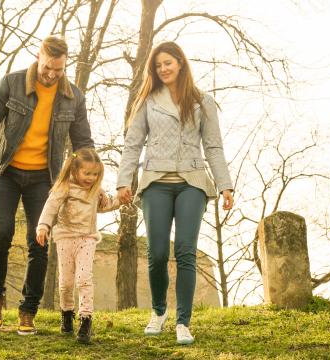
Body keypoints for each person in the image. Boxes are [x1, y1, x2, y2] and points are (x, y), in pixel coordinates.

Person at [0, 35, 94, 335]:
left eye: (58, 70)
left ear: (65, 66)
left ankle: (28, 310)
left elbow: (83, 142)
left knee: (38, 242)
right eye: (47, 67)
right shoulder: (11, 84)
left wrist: (91, 179)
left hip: (44, 177)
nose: (51, 74)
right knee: (2, 232)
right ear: (38, 57)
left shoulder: (73, 97)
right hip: (6, 171)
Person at [116, 41, 234, 345]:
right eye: (158, 65)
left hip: (192, 182)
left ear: (180, 63)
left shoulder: (202, 101)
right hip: (155, 182)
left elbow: (214, 147)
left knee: (185, 251)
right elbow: (132, 143)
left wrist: (225, 185)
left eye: (168, 63)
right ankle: (158, 312)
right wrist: (123, 181)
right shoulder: (147, 101)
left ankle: (183, 321)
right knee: (156, 253)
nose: (163, 69)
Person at [36, 148, 120, 344]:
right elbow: (50, 206)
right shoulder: (64, 187)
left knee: (84, 279)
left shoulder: (94, 190)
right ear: (75, 170)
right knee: (66, 282)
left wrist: (119, 201)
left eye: (95, 174)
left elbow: (103, 206)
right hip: (65, 238)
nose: (91, 178)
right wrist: (43, 226)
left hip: (87, 238)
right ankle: (67, 314)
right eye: (87, 173)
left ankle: (85, 319)